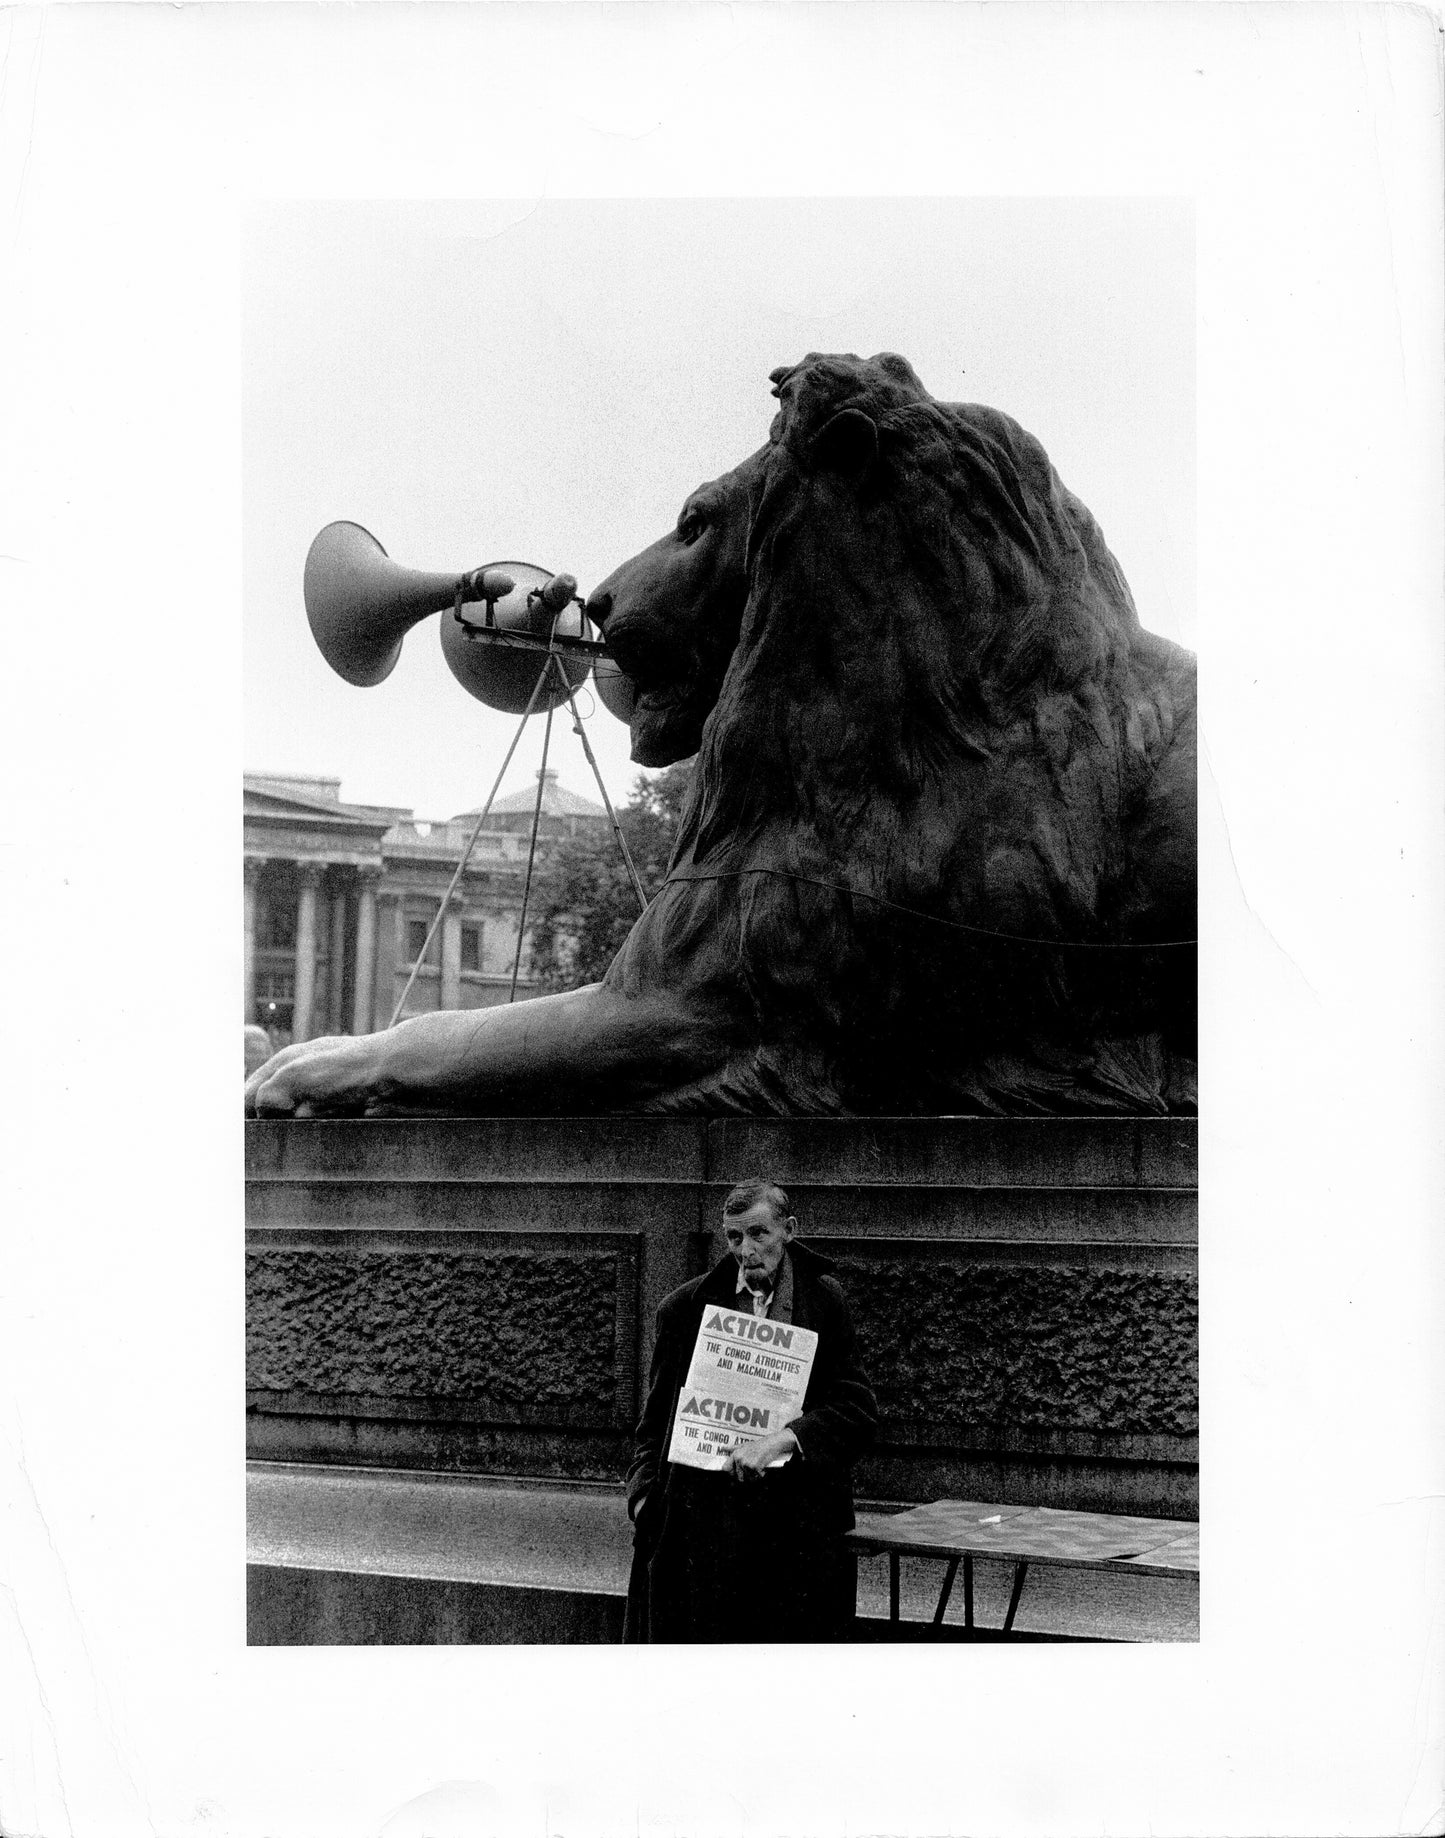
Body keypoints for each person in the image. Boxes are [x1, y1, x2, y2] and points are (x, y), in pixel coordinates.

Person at [624, 1178, 877, 1642]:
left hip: (798, 1535)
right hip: (705, 1538)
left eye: (759, 1234)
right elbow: (652, 1425)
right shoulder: (683, 1309)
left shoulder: (824, 1302)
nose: (746, 1250)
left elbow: (857, 1409)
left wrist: (783, 1440)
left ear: (789, 1230)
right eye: (734, 1237)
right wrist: (644, 1501)